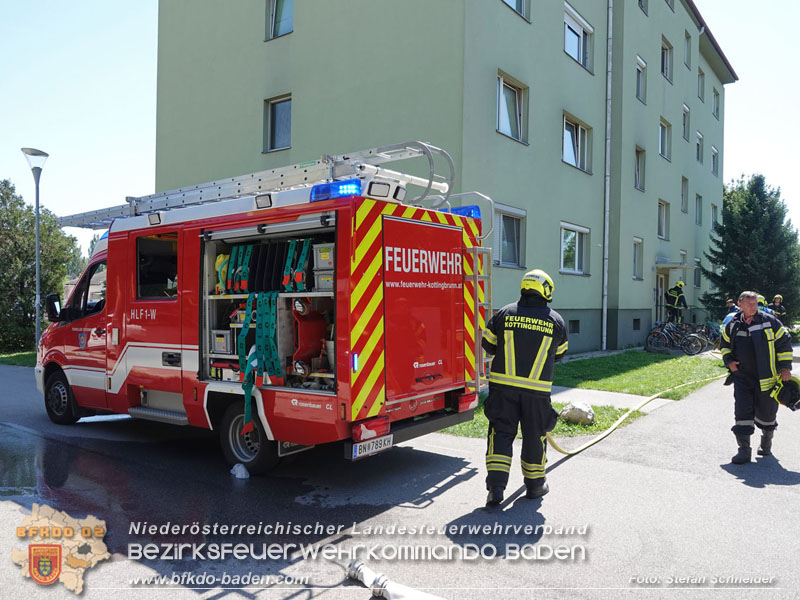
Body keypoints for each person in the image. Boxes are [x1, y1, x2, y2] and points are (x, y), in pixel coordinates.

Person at [481, 269, 568, 506]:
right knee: (534, 436)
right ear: (546, 290)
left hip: (502, 391)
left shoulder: (503, 314)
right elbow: (559, 354)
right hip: (536, 393)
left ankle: (496, 490)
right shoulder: (556, 321)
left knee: (500, 435)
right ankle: (535, 485)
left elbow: (487, 344)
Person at [719, 291, 793, 464]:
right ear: (740, 304)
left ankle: (766, 444)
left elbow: (784, 343)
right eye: (750, 303)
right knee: (742, 411)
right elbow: (724, 345)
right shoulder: (733, 324)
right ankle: (744, 450)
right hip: (743, 378)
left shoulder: (770, 321)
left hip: (767, 377)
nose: (754, 306)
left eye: (755, 303)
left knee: (767, 413)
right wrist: (729, 361)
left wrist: (785, 368)